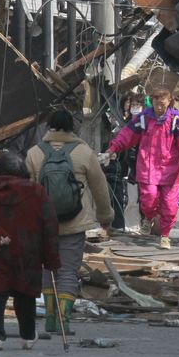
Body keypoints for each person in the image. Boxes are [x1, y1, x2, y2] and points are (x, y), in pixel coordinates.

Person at [26, 109, 112, 339]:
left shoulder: (34, 153)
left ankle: (51, 320)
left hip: (44, 224)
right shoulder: (84, 152)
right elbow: (100, 189)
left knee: (47, 269)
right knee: (67, 272)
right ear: (72, 127)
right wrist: (106, 218)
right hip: (75, 223)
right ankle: (65, 319)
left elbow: (27, 191)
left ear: (49, 127)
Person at [0, 151, 61, 351]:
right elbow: (50, 225)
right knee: (25, 294)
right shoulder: (37, 192)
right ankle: (28, 336)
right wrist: (52, 259)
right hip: (28, 251)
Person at [107, 88, 179, 250]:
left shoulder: (177, 120)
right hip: (148, 168)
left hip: (170, 170)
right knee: (148, 200)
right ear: (152, 102)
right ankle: (148, 218)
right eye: (156, 103)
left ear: (169, 102)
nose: (159, 107)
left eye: (162, 103)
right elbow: (127, 136)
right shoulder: (143, 119)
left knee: (170, 206)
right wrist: (113, 148)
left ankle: (165, 235)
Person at [104, 92, 144, 231]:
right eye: (132, 104)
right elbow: (123, 139)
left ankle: (147, 225)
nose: (134, 107)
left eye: (137, 105)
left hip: (144, 166)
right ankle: (133, 227)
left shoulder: (146, 123)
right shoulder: (126, 124)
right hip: (129, 166)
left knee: (146, 199)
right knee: (132, 199)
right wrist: (113, 150)